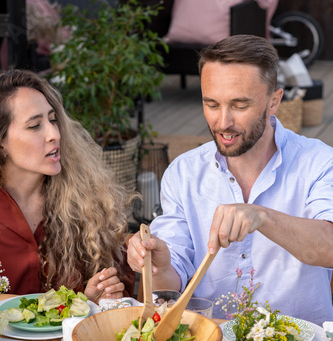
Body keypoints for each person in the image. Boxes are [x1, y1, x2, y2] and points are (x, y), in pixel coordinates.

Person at [127, 34, 333, 326]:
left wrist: (261, 217)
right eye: (212, 104)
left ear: (274, 101)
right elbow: (170, 283)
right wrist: (158, 266)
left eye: (239, 105)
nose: (223, 123)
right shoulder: (183, 172)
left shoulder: (320, 162)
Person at [0, 69, 135, 303]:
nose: (54, 134)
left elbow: (119, 292)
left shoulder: (84, 204)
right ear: (2, 143)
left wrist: (91, 300)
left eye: (53, 120)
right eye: (35, 126)